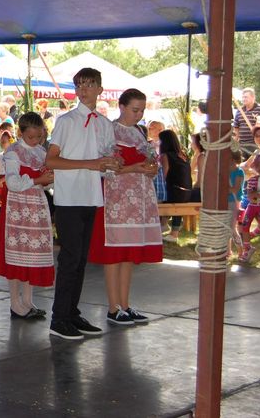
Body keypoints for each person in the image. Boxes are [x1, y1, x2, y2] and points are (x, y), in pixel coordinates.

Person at [46, 67, 120, 340]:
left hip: (91, 196)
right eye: (79, 85)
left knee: (80, 260)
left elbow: (106, 160)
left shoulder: (104, 123)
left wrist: (113, 163)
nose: (84, 90)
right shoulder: (66, 121)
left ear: (100, 89)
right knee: (69, 257)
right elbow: (51, 160)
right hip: (69, 197)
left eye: (89, 85)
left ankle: (71, 312)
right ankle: (58, 317)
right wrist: (91, 164)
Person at [88, 88, 162, 326]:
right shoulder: (110, 130)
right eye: (134, 110)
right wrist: (135, 169)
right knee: (114, 256)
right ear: (121, 107)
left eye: (141, 110)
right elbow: (106, 166)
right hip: (116, 200)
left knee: (128, 255)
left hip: (137, 201)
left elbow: (145, 163)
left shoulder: (139, 133)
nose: (139, 115)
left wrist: (151, 169)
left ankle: (125, 304)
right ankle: (113, 307)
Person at [0, 112, 55, 320]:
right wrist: (38, 180)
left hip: (36, 206)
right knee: (16, 253)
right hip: (17, 209)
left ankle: (28, 300)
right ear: (21, 133)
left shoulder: (40, 151)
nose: (36, 141)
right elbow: (13, 183)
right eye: (31, 137)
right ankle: (15, 302)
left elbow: (46, 179)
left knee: (32, 254)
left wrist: (48, 179)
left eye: (39, 137)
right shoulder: (13, 152)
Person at [159, 129, 194, 241]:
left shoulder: (165, 156)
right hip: (187, 192)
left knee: (159, 193)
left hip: (176, 193)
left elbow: (163, 176)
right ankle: (171, 230)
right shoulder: (182, 155)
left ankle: (164, 226)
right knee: (172, 193)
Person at [239, 154, 260, 262]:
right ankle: (247, 249)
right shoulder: (253, 180)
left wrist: (257, 195)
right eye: (258, 166)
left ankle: (257, 231)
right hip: (252, 206)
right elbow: (250, 196)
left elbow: (254, 195)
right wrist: (257, 195)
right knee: (245, 225)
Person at [233, 88, 260, 158]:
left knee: (255, 166)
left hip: (256, 145)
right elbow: (236, 129)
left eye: (246, 97)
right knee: (243, 166)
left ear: (253, 97)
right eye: (243, 97)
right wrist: (234, 143)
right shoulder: (239, 111)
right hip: (242, 145)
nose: (243, 99)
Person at [190, 133, 206, 202]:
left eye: (193, 142)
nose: (191, 144)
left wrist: (192, 189)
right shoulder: (200, 155)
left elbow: (200, 181)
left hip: (204, 191)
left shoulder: (202, 156)